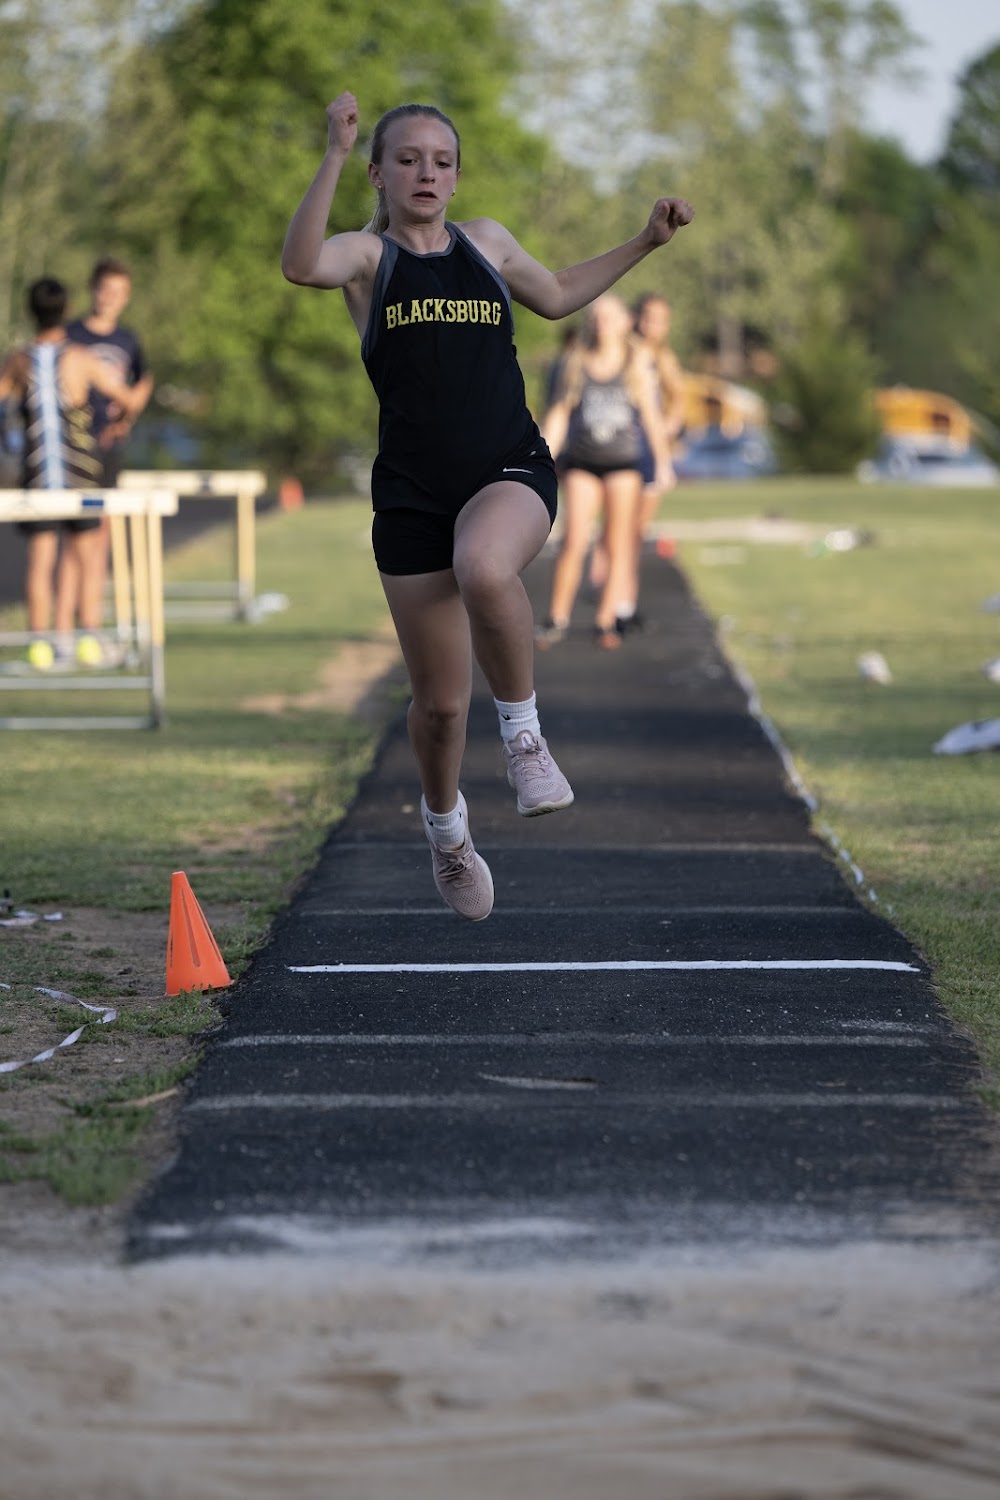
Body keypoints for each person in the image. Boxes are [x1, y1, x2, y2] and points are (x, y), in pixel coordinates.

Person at [281, 90, 692, 921]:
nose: (426, 173)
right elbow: (300, 264)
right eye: (407, 160)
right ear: (380, 174)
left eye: (441, 161)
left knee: (484, 566)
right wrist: (333, 151)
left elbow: (560, 292)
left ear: (457, 176)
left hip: (509, 467)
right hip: (412, 494)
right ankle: (447, 833)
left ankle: (525, 739)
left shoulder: (488, 243)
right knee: (438, 707)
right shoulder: (367, 259)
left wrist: (646, 241)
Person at [0, 278, 149, 669]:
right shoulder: (80, 359)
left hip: (37, 475)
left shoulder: (19, 360)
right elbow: (126, 398)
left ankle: (40, 644)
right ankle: (87, 638)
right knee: (87, 559)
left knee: (40, 562)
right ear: (66, 311)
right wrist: (134, 401)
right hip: (81, 474)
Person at [536, 293, 672, 651]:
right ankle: (556, 618)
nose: (602, 324)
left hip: (623, 464)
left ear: (625, 323)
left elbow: (651, 416)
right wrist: (543, 455)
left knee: (618, 543)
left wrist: (663, 462)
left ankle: (606, 620)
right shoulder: (576, 361)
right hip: (583, 462)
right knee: (574, 539)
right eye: (597, 317)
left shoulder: (636, 362)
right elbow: (560, 413)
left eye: (610, 317)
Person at [63, 257, 154, 663]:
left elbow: (143, 381)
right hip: (77, 448)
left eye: (119, 292)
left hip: (110, 449)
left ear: (126, 296)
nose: (110, 298)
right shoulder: (72, 335)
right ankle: (65, 630)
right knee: (75, 540)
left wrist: (127, 415)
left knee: (99, 539)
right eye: (105, 290)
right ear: (93, 290)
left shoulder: (128, 339)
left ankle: (90, 627)